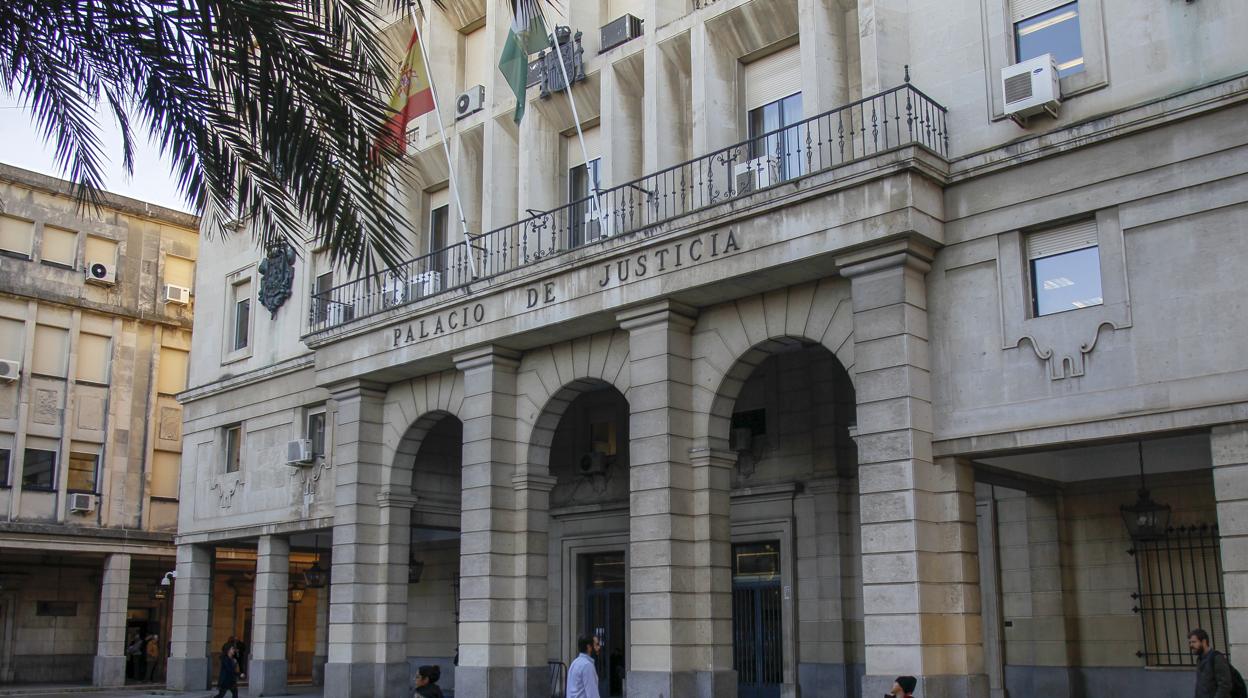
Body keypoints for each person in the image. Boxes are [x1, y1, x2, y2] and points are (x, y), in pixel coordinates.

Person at [1190, 628, 1233, 698]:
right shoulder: (1200, 659)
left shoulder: (1217, 658)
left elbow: (1225, 685)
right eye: (1190, 642)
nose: (1191, 645)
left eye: (1194, 642)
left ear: (1203, 642)